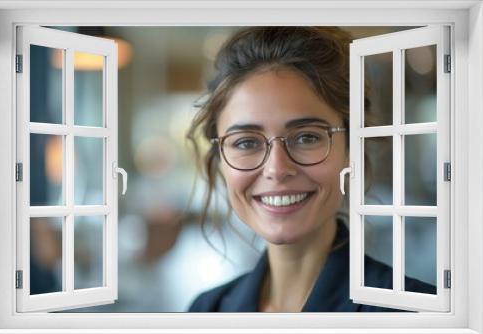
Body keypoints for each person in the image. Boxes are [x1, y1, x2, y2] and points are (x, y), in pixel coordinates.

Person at [186, 26, 435, 312]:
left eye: (307, 137)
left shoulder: (413, 314)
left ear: (351, 149)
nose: (277, 169)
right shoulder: (207, 310)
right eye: (245, 143)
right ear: (220, 160)